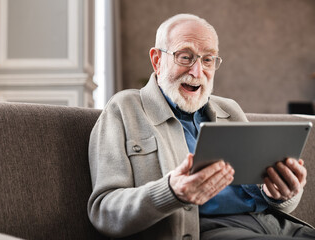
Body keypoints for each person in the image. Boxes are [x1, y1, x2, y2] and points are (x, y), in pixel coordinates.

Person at [87, 13, 315, 240]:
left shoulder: (230, 110)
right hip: (211, 230)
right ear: (157, 60)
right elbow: (104, 213)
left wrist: (283, 194)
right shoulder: (124, 109)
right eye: (185, 57)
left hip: (277, 225)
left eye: (207, 60)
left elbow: (278, 202)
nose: (197, 72)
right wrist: (171, 191)